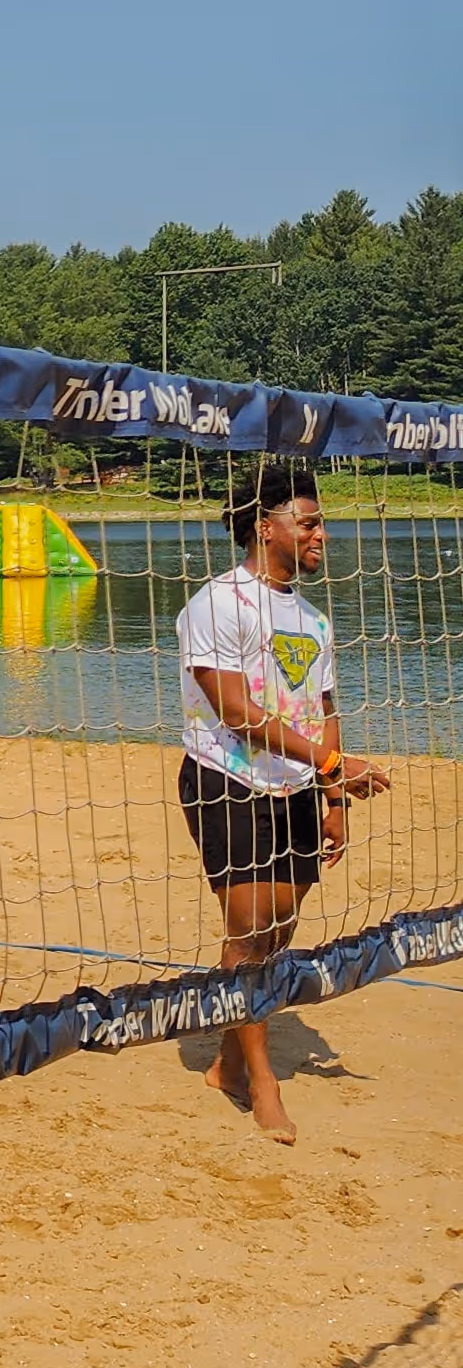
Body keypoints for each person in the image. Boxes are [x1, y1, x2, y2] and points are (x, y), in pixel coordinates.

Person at [176, 461, 389, 1144]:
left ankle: (227, 1061)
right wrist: (331, 763)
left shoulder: (314, 620)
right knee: (246, 928)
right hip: (225, 778)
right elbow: (234, 711)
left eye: (320, 522)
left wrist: (335, 795)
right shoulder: (217, 603)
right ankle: (259, 1083)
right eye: (310, 522)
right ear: (266, 527)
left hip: (296, 785)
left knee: (279, 931)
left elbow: (323, 709)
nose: (322, 534)